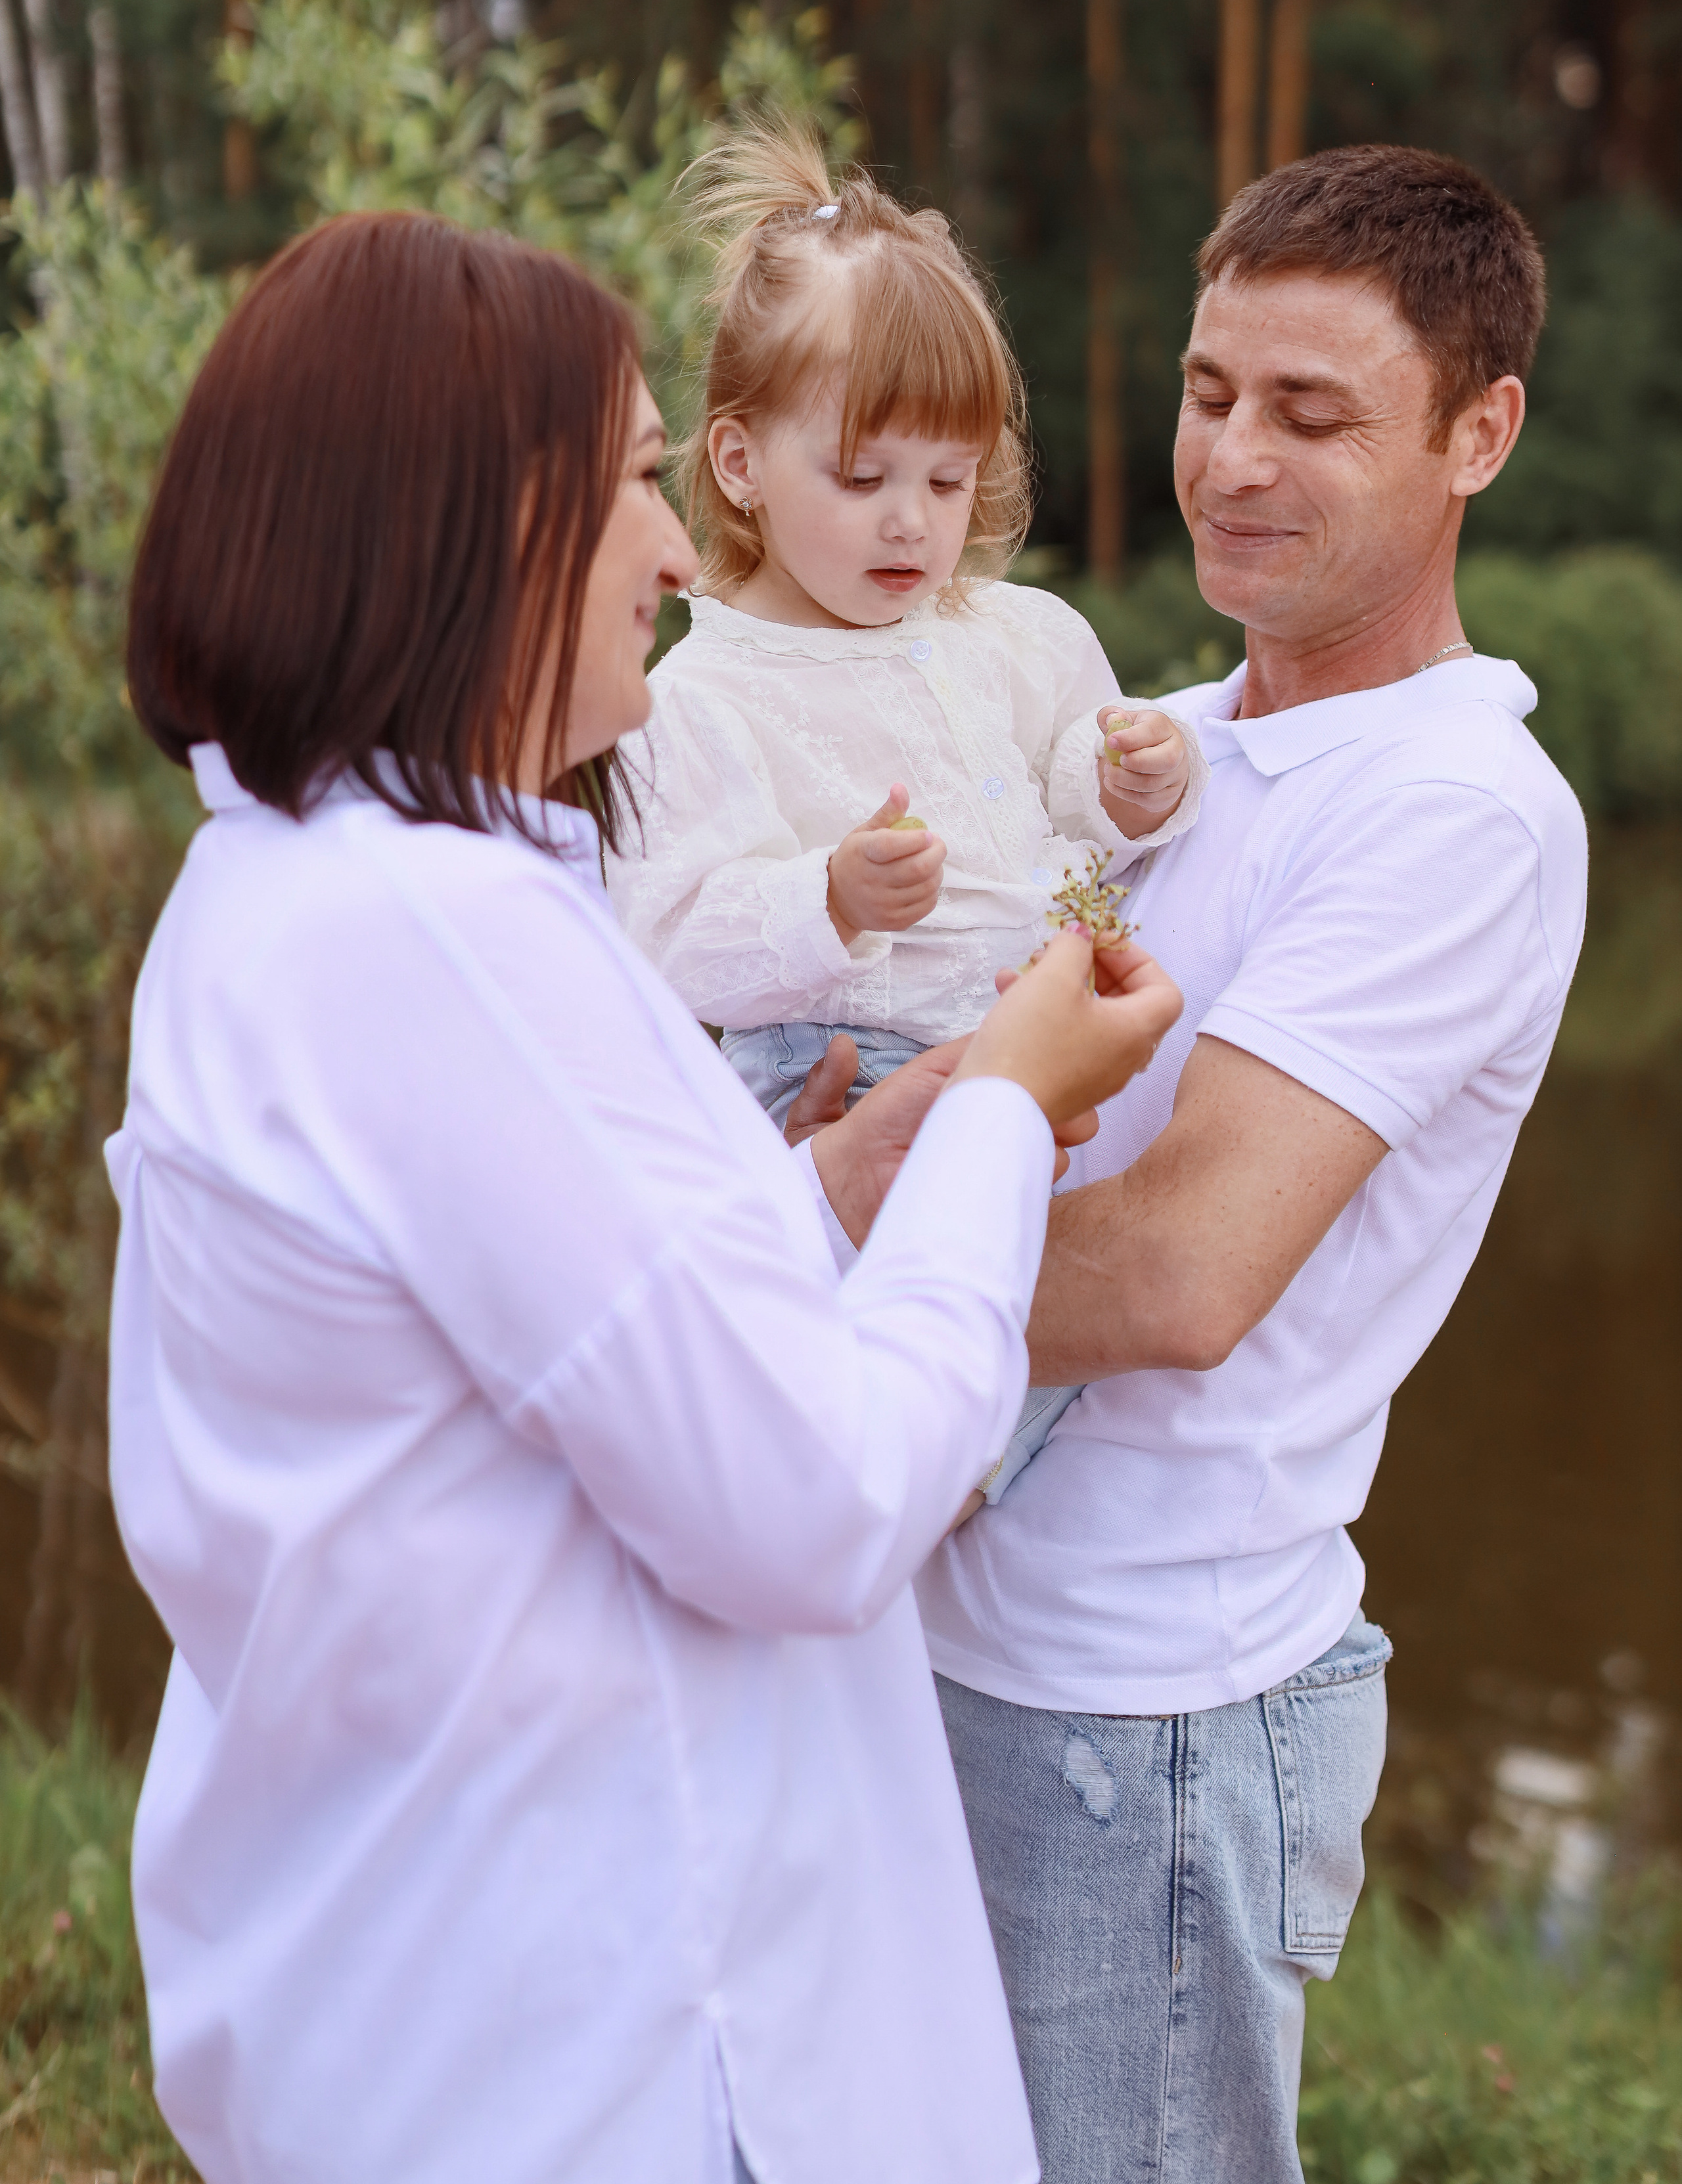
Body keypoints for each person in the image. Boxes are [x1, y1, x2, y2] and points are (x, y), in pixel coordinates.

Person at [106, 208, 1184, 2184]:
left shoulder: (299, 888)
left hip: (436, 1984)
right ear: (467, 529)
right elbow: (819, 1499)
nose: (684, 553)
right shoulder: (445, 954)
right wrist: (1002, 1124)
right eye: (629, 485)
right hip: (611, 2048)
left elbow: (537, 1330)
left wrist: (837, 1173)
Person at [912, 146, 1591, 2184]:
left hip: (1149, 1709)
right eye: (1214, 394)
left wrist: (758, 1265)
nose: (1231, 461)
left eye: (1312, 415)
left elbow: (1180, 1275)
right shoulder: (1170, 745)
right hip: (940, 1628)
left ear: (1482, 435)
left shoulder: (1461, 811)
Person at [608, 123, 1206, 1500]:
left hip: (1033, 1059)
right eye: (863, 479)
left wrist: (1137, 780)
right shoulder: (701, 694)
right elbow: (662, 933)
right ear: (743, 463)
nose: (910, 527)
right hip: (852, 1066)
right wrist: (828, 898)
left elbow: (1075, 783)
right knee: (913, 1450)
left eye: (946, 482)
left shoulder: (1015, 632)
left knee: (1055, 1396)